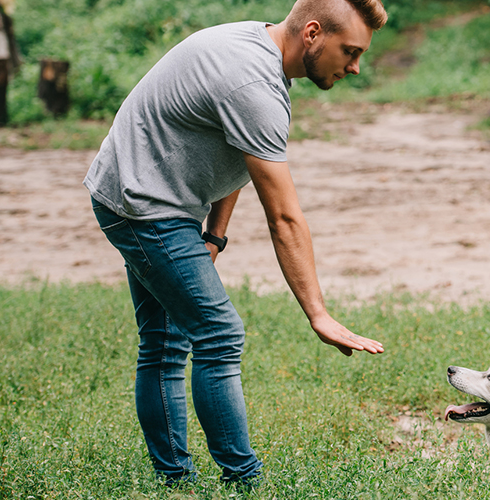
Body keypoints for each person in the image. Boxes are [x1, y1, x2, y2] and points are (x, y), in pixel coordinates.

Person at [84, 0, 387, 487]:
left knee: (166, 341)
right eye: (350, 51)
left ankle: (174, 481)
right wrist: (319, 314)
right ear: (312, 33)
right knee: (218, 334)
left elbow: (236, 151)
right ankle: (244, 482)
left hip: (143, 188)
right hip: (143, 203)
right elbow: (284, 217)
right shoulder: (253, 84)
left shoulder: (259, 47)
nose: (355, 66)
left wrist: (215, 236)